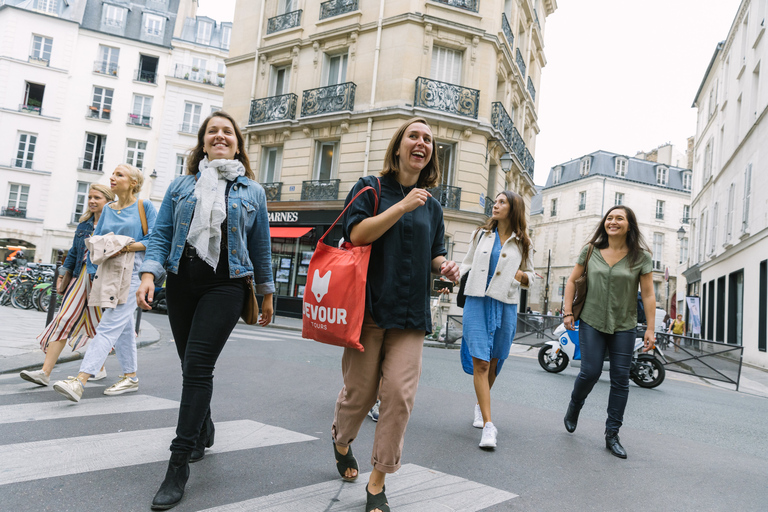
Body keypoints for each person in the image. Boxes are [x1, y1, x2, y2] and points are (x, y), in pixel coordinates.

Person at [136, 111, 274, 511]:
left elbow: (261, 246)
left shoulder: (252, 191)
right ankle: (203, 427)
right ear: (203, 140)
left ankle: (177, 466)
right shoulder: (182, 185)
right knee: (188, 366)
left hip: (226, 285)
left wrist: (266, 293)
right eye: (212, 130)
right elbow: (160, 234)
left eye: (227, 132)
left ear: (236, 143)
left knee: (197, 367)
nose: (220, 135)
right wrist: (150, 273)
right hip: (181, 282)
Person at [330, 117, 459, 512]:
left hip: (411, 315)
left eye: (428, 140)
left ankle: (378, 480)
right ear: (399, 146)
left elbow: (434, 252)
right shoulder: (370, 188)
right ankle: (341, 440)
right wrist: (402, 205)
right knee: (359, 394)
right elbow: (356, 235)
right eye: (414, 136)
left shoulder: (432, 206)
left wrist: (444, 266)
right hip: (367, 310)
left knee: (399, 396)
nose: (422, 143)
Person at [52, 164, 156, 402]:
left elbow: (156, 239)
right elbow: (98, 239)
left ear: (133, 183)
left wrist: (125, 246)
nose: (112, 177)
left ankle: (80, 380)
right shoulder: (108, 209)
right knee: (125, 327)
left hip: (134, 273)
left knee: (109, 326)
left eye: (119, 175)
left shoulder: (144, 206)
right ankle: (130, 377)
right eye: (113, 173)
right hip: (109, 272)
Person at [561, 205, 655, 459]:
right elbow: (571, 281)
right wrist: (568, 311)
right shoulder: (590, 251)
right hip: (591, 320)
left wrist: (651, 328)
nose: (613, 222)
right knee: (589, 372)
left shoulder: (641, 257)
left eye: (619, 218)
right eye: (609, 218)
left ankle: (612, 434)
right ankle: (575, 405)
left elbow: (647, 294)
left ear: (629, 225)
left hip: (624, 325)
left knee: (620, 380)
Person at [458, 191, 534, 449]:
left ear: (513, 208)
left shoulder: (523, 242)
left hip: (505, 303)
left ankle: (481, 403)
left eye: (502, 202)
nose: (496, 205)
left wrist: (522, 276)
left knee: (493, 362)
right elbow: (466, 266)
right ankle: (489, 425)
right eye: (496, 201)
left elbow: (531, 276)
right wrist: (455, 281)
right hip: (477, 302)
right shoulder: (480, 234)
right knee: (480, 362)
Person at [20, 183, 115, 387]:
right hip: (81, 277)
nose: (91, 201)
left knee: (102, 325)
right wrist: (63, 276)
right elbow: (73, 253)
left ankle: (106, 369)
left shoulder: (115, 224)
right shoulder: (84, 225)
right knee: (63, 319)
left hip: (103, 279)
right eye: (90, 197)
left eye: (97, 197)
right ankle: (45, 373)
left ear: (108, 200)